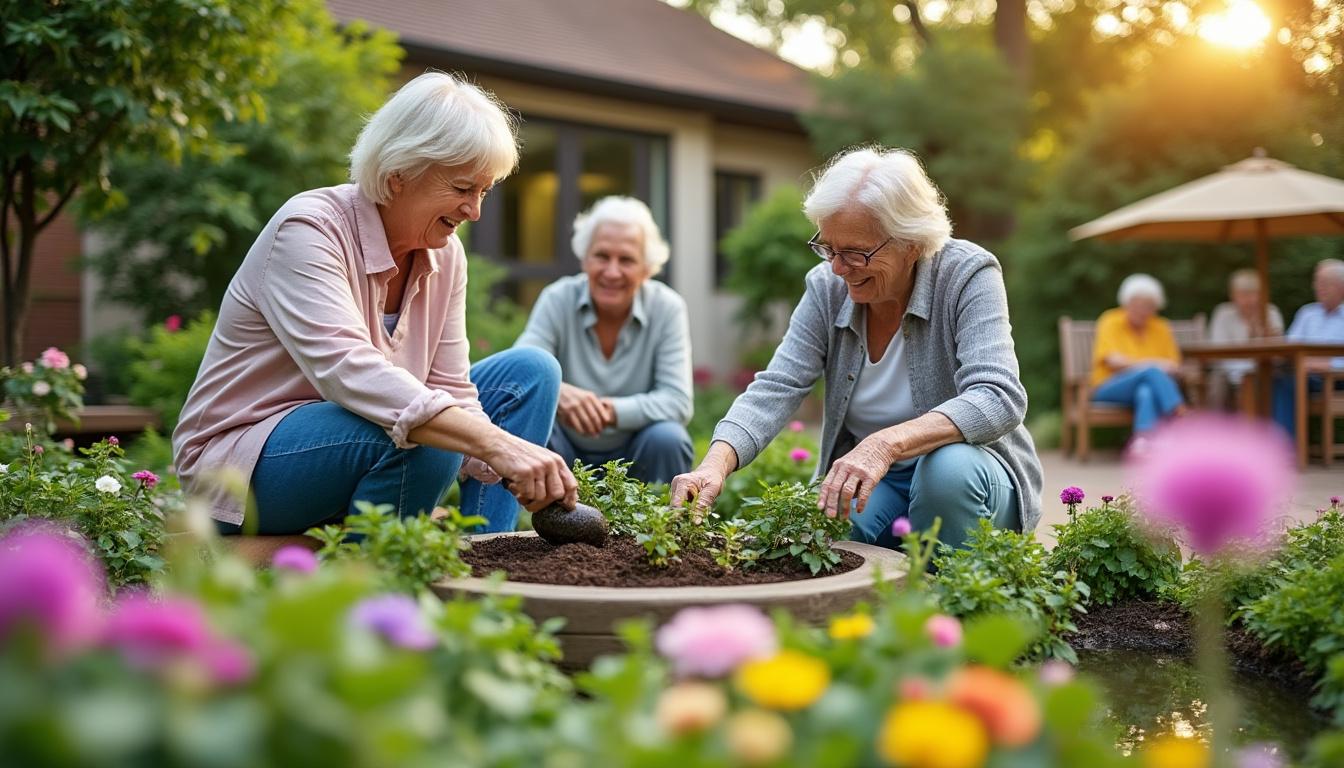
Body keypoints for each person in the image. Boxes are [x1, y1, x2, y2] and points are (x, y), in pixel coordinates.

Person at [173, 72, 577, 536]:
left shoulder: (446, 254)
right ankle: (375, 578)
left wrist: (499, 452)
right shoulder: (308, 229)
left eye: (484, 192)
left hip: (358, 433)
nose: (475, 211)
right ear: (399, 173)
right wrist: (498, 445)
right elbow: (349, 369)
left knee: (529, 373)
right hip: (243, 463)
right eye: (464, 188)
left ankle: (488, 550)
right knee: (420, 430)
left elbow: (450, 384)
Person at [668, 147, 1042, 551]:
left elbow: (998, 396)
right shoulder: (827, 287)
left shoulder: (967, 274)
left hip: (974, 475)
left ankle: (954, 605)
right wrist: (714, 465)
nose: (838, 268)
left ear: (911, 244)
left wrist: (884, 444)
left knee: (946, 471)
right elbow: (776, 386)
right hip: (877, 480)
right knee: (832, 529)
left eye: (855, 252)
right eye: (828, 248)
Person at [514, 197, 693, 484]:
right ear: (585, 259)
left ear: (647, 269)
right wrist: (559, 391)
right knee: (531, 427)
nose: (612, 272)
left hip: (637, 449)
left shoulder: (667, 307)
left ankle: (664, 527)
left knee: (668, 438)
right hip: (562, 450)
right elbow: (521, 371)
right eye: (601, 256)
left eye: (626, 260)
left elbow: (677, 402)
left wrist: (608, 411)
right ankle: (529, 525)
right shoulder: (557, 298)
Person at [1090, 274, 1187, 435]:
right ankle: (1179, 412)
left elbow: (1173, 365)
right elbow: (1113, 362)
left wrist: (1146, 366)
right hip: (1108, 386)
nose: (1143, 311)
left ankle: (1143, 441)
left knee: (1146, 391)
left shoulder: (1161, 326)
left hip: (1149, 387)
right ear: (1126, 303)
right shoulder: (1110, 320)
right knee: (1151, 371)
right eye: (1138, 305)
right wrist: (1153, 364)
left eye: (1148, 306)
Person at [1271, 258, 1344, 438]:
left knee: (1288, 382)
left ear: (1341, 286)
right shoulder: (1307, 313)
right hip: (1304, 374)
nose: (1318, 287)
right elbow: (1290, 348)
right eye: (1317, 281)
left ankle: (1284, 445)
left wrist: (1327, 365)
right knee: (1265, 378)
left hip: (1336, 378)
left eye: (1325, 283)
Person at [1206, 269, 1283, 410]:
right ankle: (1215, 429)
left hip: (1262, 371)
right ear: (1232, 296)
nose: (1249, 300)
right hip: (1228, 370)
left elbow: (1278, 353)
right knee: (1217, 382)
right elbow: (1217, 349)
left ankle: (1260, 428)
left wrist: (1261, 335)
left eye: (1253, 294)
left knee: (1275, 381)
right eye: (1243, 295)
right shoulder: (1223, 314)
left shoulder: (1271, 313)